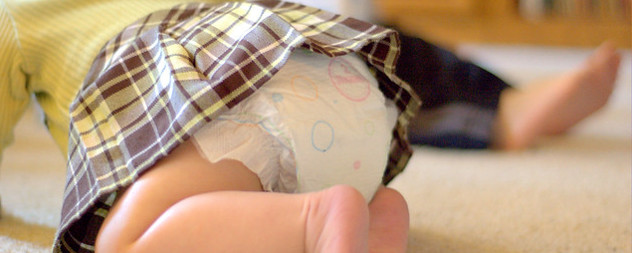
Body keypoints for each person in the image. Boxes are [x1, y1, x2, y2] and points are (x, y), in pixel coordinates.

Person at [0, 0, 620, 252]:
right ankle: (380, 221)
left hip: (250, 118)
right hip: (349, 85)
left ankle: (315, 219)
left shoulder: (18, 17)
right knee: (412, 54)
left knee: (118, 243)